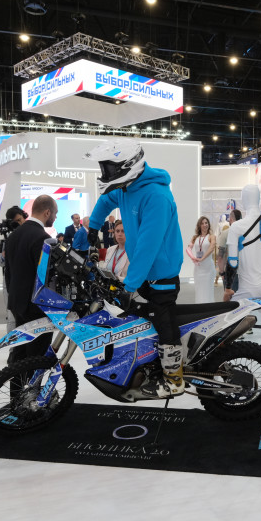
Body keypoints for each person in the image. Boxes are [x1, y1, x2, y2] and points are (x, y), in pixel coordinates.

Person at [85, 138, 184, 399]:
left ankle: (174, 379)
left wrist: (129, 286)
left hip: (161, 276)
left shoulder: (157, 196)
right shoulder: (127, 188)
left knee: (164, 322)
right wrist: (93, 226)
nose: (106, 173)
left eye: (109, 168)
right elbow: (106, 200)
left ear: (128, 165)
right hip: (143, 276)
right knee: (141, 322)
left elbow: (148, 248)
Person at [224, 184, 261, 357]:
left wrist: (228, 289)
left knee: (227, 326)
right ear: (258, 198)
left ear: (244, 199)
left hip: (246, 287)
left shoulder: (236, 227)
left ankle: (223, 364)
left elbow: (232, 263)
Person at [5, 195, 58, 363]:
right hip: (36, 307)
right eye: (55, 213)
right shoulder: (42, 238)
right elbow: (45, 277)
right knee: (37, 355)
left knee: (20, 352)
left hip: (17, 302)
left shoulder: (13, 236)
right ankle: (32, 382)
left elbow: (8, 272)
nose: (55, 217)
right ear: (47, 212)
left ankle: (16, 381)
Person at [0, 205, 27, 332]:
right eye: (15, 222)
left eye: (20, 220)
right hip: (10, 280)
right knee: (11, 316)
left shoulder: (30, 235)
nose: (19, 224)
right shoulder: (8, 239)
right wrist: (4, 256)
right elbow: (0, 263)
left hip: (27, 280)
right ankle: (13, 341)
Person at [188, 216, 217, 303]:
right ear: (199, 225)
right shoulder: (195, 237)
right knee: (199, 289)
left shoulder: (212, 237)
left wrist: (202, 258)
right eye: (202, 223)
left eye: (206, 223)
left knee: (208, 290)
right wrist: (193, 258)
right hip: (198, 268)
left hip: (208, 268)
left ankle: (209, 308)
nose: (205, 225)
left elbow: (212, 247)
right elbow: (188, 249)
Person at [216, 210, 241, 289]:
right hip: (246, 272)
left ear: (231, 219)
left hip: (230, 272)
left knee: (230, 295)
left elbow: (221, 256)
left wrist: (222, 272)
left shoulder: (225, 233)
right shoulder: (246, 233)